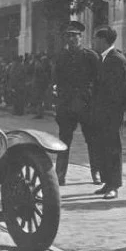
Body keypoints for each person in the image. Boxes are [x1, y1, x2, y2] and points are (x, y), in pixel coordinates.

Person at [53, 21, 101, 186]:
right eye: (68, 35)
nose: (71, 39)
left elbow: (99, 81)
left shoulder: (90, 56)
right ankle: (60, 174)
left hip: (86, 104)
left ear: (81, 37)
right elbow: (56, 80)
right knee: (63, 141)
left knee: (92, 140)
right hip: (66, 105)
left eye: (74, 35)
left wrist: (95, 102)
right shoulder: (61, 57)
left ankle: (96, 172)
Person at [90, 26, 126, 199]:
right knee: (102, 147)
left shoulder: (117, 59)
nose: (93, 42)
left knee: (113, 148)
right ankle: (107, 182)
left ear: (103, 40)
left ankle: (114, 185)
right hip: (101, 112)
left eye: (95, 39)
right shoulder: (103, 59)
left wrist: (122, 109)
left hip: (113, 112)